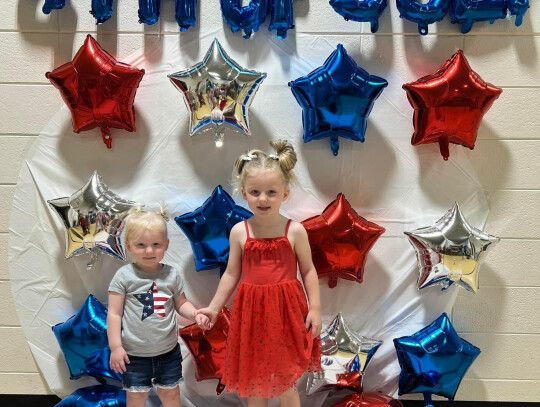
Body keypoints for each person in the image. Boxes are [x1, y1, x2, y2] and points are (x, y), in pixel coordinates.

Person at [197, 140, 322, 407]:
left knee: (286, 382)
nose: (263, 199)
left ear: (285, 193)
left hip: (287, 311)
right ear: (244, 192)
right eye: (255, 192)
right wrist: (214, 308)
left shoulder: (295, 231)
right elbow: (231, 274)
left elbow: (309, 271)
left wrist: (316, 309)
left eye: (271, 192)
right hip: (252, 313)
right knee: (256, 381)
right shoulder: (240, 231)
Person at [107, 208, 210, 407]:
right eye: (141, 245)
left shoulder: (171, 274)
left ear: (166, 245)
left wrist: (195, 314)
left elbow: (181, 303)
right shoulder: (124, 276)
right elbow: (114, 313)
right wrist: (115, 347)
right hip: (133, 355)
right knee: (136, 398)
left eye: (156, 244)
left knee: (171, 395)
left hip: (168, 352)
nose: (149, 251)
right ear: (128, 245)